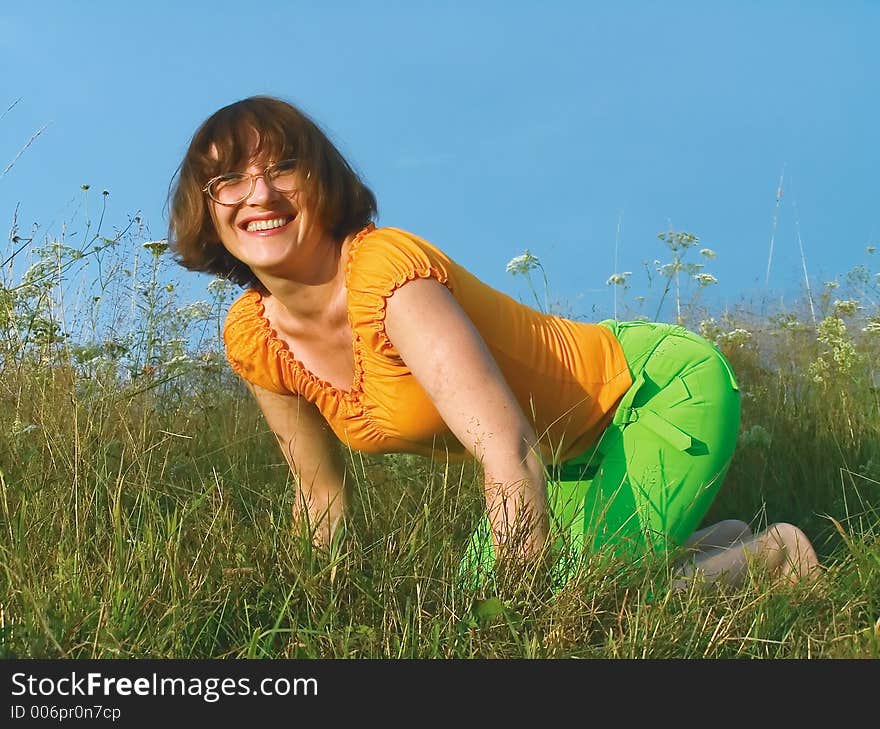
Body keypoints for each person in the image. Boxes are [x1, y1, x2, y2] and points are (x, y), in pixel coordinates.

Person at [167, 95, 819, 593]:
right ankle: (719, 547)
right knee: (470, 600)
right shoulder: (254, 337)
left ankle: (777, 554)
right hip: (560, 450)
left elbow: (507, 446)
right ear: (207, 204)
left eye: (284, 166)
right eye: (229, 179)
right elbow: (321, 500)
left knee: (570, 606)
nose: (259, 193)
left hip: (646, 392)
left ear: (321, 182)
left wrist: (520, 626)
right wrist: (305, 614)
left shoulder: (386, 273)